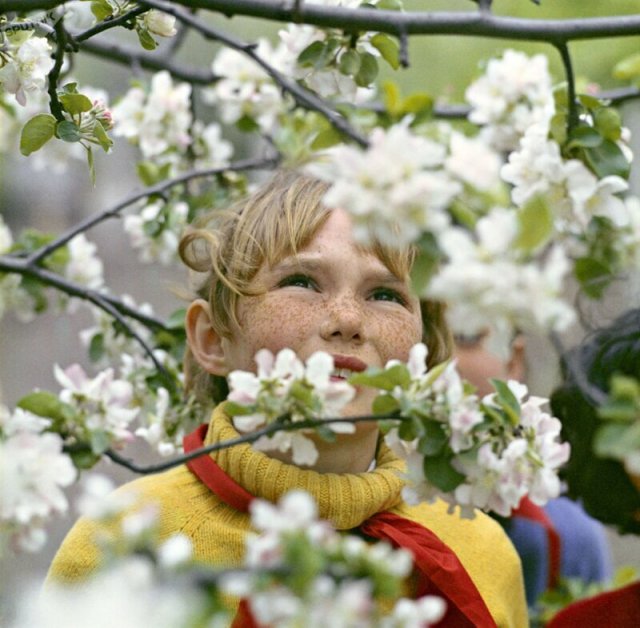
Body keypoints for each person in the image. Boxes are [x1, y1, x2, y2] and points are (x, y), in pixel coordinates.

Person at [48, 170, 527, 626]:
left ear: (425, 351)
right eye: (300, 283)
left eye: (385, 294)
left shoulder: (478, 552)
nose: (347, 319)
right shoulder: (119, 542)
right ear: (213, 340)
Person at [453, 329, 612, 607]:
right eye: (424, 336)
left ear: (514, 360)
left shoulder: (569, 536)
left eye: (464, 337)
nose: (442, 358)